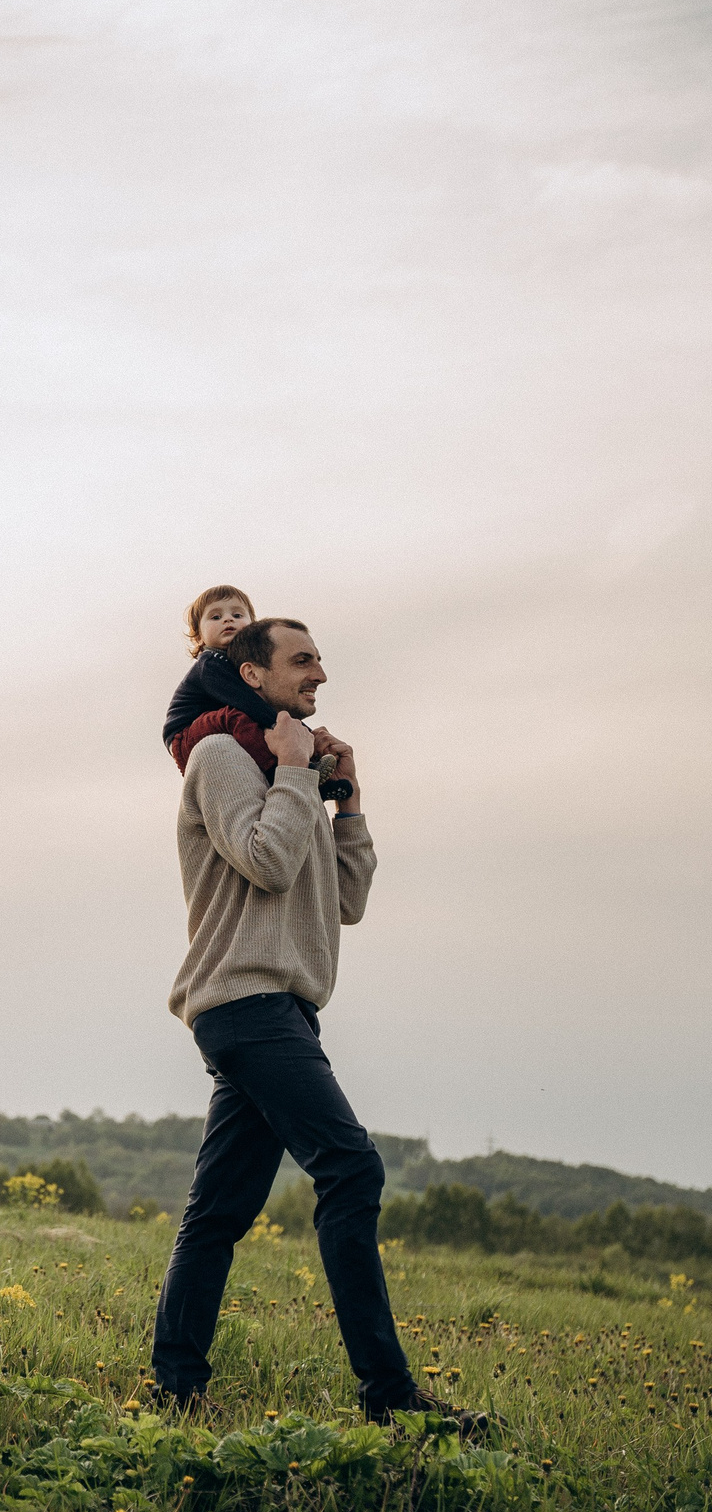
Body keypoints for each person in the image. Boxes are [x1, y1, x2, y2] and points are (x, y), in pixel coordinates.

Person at [151, 616, 481, 1430]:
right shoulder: (220, 757)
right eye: (303, 660)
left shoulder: (284, 770)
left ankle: (174, 1388)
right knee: (351, 1169)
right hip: (245, 1000)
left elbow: (345, 901)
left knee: (219, 1212)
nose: (321, 673)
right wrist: (296, 775)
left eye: (321, 659)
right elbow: (263, 859)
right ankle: (390, 1396)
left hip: (283, 1006)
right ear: (252, 674)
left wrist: (349, 802)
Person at [164, 584, 348, 800]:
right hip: (184, 732)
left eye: (237, 614)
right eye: (215, 617)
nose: (228, 620)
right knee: (237, 718)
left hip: (215, 724)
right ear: (199, 636)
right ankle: (278, 771)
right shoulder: (210, 664)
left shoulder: (233, 664)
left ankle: (316, 787)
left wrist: (307, 738)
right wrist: (295, 732)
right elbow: (248, 703)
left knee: (248, 724)